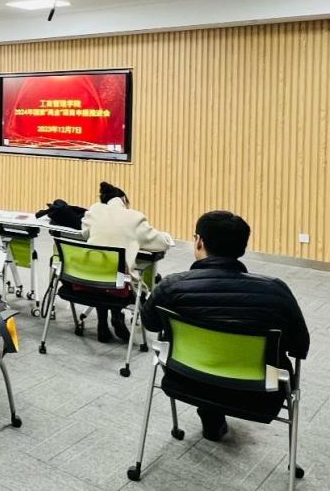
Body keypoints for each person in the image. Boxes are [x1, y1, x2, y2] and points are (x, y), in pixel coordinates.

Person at [142, 211, 309, 442]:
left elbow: (150, 324)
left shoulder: (171, 286)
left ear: (199, 242)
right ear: (242, 248)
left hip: (185, 379)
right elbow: (299, 346)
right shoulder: (276, 292)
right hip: (259, 392)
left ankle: (211, 414)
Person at [81, 181, 174, 342]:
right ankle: (117, 316)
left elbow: (85, 233)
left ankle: (103, 322)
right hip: (119, 287)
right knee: (120, 276)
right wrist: (166, 236)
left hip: (87, 281)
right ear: (124, 199)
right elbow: (161, 243)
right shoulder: (135, 218)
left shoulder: (94, 210)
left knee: (105, 271)